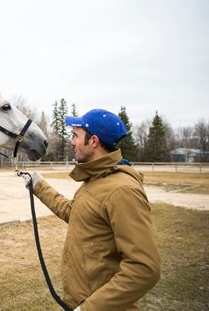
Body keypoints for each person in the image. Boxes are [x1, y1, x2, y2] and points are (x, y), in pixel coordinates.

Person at [23, 109, 161, 311]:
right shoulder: (98, 179)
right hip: (79, 300)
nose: (71, 142)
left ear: (94, 141)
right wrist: (39, 186)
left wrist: (89, 308)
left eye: (75, 136)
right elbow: (74, 212)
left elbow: (144, 268)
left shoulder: (122, 190)